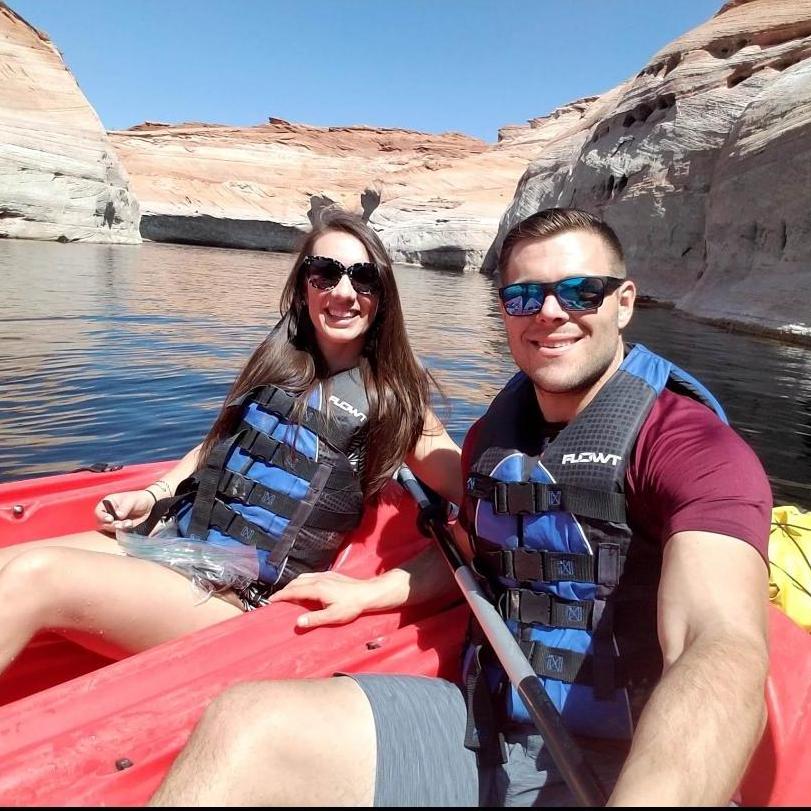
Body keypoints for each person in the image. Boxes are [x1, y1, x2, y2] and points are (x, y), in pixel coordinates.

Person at [148, 208, 772, 807]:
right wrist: (374, 590)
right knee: (244, 721)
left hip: (614, 764)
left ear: (624, 302)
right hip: (481, 730)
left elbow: (716, 642)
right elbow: (477, 546)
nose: (550, 313)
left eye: (581, 291)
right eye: (524, 297)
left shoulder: (689, 446)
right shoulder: (494, 438)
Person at [0, 209, 462, 673]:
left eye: (363, 279)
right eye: (325, 273)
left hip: (236, 599)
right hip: (173, 542)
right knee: (8, 561)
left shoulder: (394, 402)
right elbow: (219, 444)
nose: (343, 293)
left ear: (383, 294)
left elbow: (490, 512)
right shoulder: (283, 361)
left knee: (35, 576)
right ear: (304, 286)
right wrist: (154, 494)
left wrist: (371, 593)